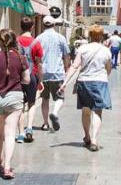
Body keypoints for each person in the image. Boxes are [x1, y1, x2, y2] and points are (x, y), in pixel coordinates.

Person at [60, 24, 113, 152]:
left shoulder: (83, 48)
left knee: (85, 111)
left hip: (84, 82)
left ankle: (87, 136)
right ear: (101, 36)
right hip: (100, 82)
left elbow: (75, 66)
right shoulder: (106, 50)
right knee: (97, 111)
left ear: (90, 35)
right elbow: (108, 70)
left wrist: (64, 83)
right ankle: (94, 139)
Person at [0, 29, 30, 179]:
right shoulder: (21, 57)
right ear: (14, 41)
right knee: (10, 133)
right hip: (14, 98)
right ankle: (7, 167)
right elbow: (27, 80)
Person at [35, 18, 71, 131]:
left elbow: (36, 57)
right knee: (60, 97)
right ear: (54, 24)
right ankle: (54, 113)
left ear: (43, 24)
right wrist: (66, 69)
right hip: (57, 72)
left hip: (43, 73)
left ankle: (45, 123)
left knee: (44, 99)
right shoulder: (61, 38)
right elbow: (66, 55)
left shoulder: (38, 38)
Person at [16, 17, 45, 143]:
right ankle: (29, 128)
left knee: (20, 105)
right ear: (32, 27)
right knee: (32, 103)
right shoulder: (36, 43)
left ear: (21, 26)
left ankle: (21, 133)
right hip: (32, 76)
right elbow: (39, 64)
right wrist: (41, 80)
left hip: (18, 77)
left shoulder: (15, 41)